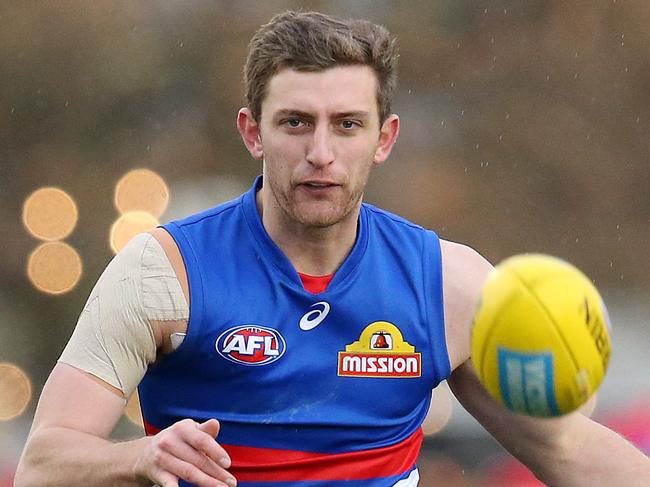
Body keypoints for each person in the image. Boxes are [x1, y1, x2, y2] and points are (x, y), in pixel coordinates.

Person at [15, 10, 650, 487]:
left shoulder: (446, 286)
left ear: (384, 138)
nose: (321, 153)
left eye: (347, 125)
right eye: (296, 122)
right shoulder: (164, 275)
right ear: (252, 131)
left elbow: (569, 451)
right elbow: (45, 460)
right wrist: (139, 455)